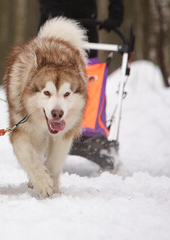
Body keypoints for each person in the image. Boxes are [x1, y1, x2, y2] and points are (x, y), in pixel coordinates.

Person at [37, 0, 125, 170]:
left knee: (88, 80)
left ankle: (88, 131)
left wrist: (116, 13)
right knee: (46, 81)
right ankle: (44, 132)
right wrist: (52, 8)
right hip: (51, 24)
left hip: (86, 24)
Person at [37, 0, 124, 58]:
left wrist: (115, 14)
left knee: (90, 74)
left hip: (86, 24)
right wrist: (53, 11)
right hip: (53, 25)